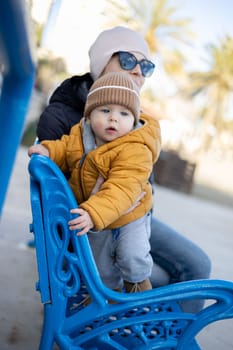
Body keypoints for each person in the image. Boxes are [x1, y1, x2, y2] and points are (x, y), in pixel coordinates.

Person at [35, 26, 211, 311]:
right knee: (162, 274)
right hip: (93, 225)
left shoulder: (136, 122)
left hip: (133, 213)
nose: (138, 71)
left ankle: (164, 337)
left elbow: (138, 179)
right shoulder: (65, 116)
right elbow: (54, 199)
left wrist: (134, 200)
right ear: (102, 62)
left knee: (198, 263)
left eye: (146, 66)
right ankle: (139, 330)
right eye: (128, 60)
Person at [29, 71, 161, 292]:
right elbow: (64, 148)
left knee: (131, 255)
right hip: (95, 212)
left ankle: (138, 289)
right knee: (98, 265)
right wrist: (48, 150)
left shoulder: (135, 149)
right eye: (105, 110)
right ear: (89, 116)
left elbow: (122, 188)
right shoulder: (80, 135)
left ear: (134, 120)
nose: (114, 118)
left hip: (130, 212)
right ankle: (105, 297)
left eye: (124, 113)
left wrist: (92, 213)